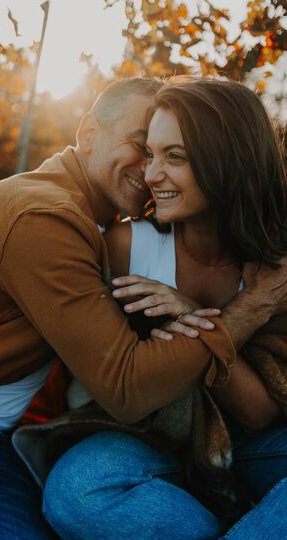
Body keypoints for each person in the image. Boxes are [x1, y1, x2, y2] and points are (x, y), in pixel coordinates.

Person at [40, 77, 287, 539]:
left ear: (228, 160)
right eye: (151, 153)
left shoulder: (271, 265)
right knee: (78, 490)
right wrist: (216, 322)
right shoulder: (125, 248)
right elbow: (122, 394)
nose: (151, 174)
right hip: (144, 437)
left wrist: (189, 312)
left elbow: (258, 414)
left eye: (175, 157)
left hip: (247, 442)